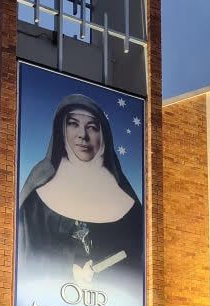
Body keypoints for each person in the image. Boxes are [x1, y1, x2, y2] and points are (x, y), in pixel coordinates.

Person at [18, 93, 143, 284]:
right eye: (73, 124)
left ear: (103, 135)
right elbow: (27, 256)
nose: (82, 135)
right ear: (61, 130)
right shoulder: (38, 192)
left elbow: (138, 263)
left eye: (92, 127)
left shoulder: (127, 202)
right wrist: (68, 269)